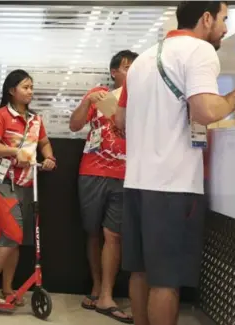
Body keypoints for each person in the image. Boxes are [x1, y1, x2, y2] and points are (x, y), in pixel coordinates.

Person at [115, 2, 235, 325]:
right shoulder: (199, 51)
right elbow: (205, 111)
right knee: (166, 281)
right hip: (173, 186)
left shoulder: (141, 60)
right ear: (206, 18)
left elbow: (120, 118)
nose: (225, 29)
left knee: (140, 273)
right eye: (224, 20)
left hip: (136, 183)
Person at [69, 50, 137, 323]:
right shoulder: (99, 94)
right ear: (114, 72)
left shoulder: (141, 98)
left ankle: (107, 294)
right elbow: (74, 125)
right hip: (92, 171)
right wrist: (87, 102)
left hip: (125, 174)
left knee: (114, 235)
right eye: (128, 67)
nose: (133, 72)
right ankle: (97, 286)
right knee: (92, 232)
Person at [0, 69, 56, 304]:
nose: (30, 91)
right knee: (11, 235)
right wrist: (15, 151)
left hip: (27, 186)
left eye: (32, 87)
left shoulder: (36, 120)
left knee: (14, 240)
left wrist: (50, 158)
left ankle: (7, 287)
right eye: (25, 87)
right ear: (11, 91)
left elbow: (44, 143)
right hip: (4, 183)